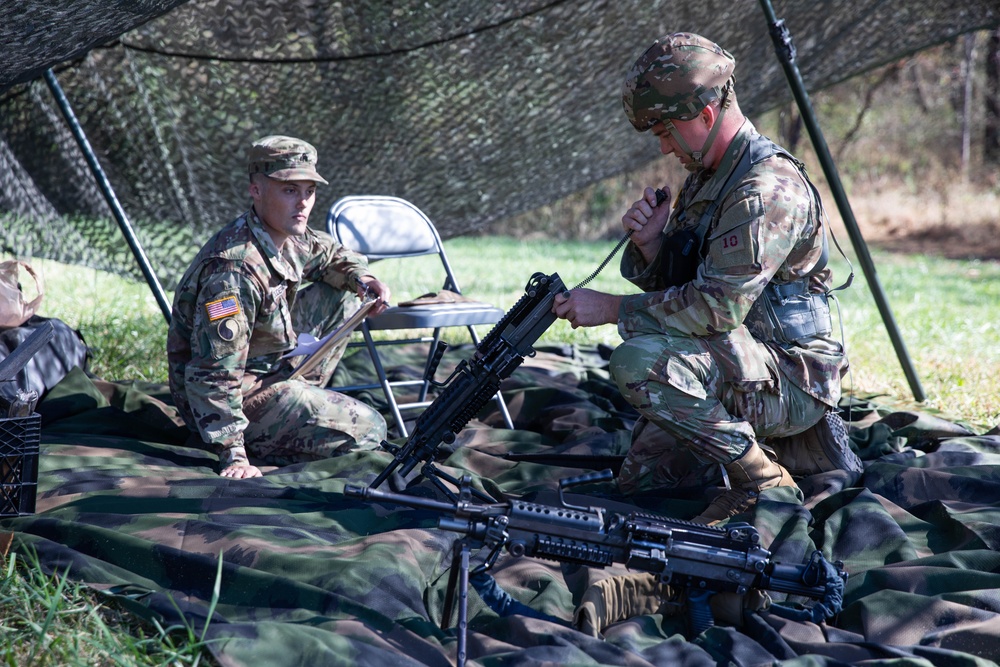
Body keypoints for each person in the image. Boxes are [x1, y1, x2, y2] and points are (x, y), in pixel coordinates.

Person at [552, 33, 861, 524]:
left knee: (640, 362)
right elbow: (684, 293)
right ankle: (737, 458)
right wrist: (653, 245)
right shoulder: (711, 174)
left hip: (789, 374)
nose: (662, 145)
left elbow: (716, 307)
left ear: (705, 114)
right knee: (646, 487)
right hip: (734, 356)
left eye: (666, 130)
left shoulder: (765, 189)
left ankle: (765, 481)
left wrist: (610, 309)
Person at [167, 135, 391, 479]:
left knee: (344, 293)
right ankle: (270, 436)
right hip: (235, 400)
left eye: (309, 191)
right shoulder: (233, 271)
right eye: (289, 190)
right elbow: (213, 373)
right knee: (370, 429)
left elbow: (329, 256)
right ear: (256, 190)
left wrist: (363, 279)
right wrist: (234, 456)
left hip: (270, 371)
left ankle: (300, 406)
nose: (302, 203)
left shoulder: (288, 234)